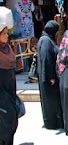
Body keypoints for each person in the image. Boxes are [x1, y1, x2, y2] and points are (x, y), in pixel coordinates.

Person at [37, 20, 64, 130]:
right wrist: (51, 77)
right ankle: (52, 124)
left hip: (49, 77)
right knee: (50, 101)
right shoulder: (46, 41)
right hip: (49, 78)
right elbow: (46, 59)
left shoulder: (47, 39)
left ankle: (54, 122)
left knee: (52, 100)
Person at [0, 8, 18, 145]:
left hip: (10, 92)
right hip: (1, 95)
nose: (7, 36)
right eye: (4, 33)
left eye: (7, 32)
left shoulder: (7, 49)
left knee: (11, 122)